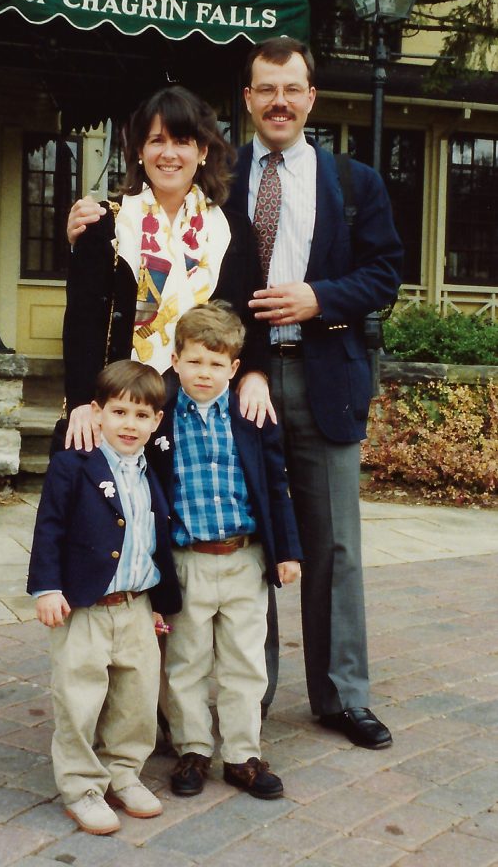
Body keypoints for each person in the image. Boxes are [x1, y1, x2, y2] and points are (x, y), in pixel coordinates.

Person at [225, 36, 403, 748]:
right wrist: (89, 218)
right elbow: (161, 226)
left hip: (324, 376)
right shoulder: (217, 176)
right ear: (248, 99)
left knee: (334, 548)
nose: (280, 102)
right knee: (244, 544)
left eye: (291, 88)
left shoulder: (354, 184)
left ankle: (342, 697)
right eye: (266, 89)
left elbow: (384, 274)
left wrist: (318, 298)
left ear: (310, 97)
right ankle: (248, 697)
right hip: (238, 382)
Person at [63, 85, 273, 454]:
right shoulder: (105, 224)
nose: (169, 153)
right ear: (139, 150)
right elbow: (82, 323)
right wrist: (82, 402)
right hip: (124, 413)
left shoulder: (234, 231)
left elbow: (251, 318)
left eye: (182, 141)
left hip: (205, 414)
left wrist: (255, 374)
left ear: (202, 151)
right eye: (157, 140)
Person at [147, 301, 302, 800]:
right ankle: (193, 748)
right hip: (187, 561)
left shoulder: (251, 415)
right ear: (175, 360)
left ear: (234, 368)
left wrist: (287, 551)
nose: (204, 373)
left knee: (244, 661)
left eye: (216, 364)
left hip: (244, 559)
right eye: (194, 361)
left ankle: (241, 754)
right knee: (186, 662)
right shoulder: (160, 418)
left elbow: (275, 485)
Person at [27, 360, 181, 836]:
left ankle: (124, 772)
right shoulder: (73, 465)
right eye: (119, 412)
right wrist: (47, 588)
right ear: (97, 414)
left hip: (135, 606)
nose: (129, 424)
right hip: (84, 608)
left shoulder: (152, 471)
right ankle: (81, 786)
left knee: (136, 698)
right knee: (79, 699)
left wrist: (158, 602)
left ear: (156, 421)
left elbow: (156, 541)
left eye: (141, 415)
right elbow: (49, 528)